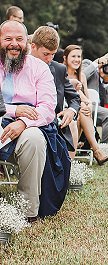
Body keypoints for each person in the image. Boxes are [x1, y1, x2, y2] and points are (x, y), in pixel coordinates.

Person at [0, 20, 69, 221]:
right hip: (3, 117)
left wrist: (23, 123)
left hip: (28, 125)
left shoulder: (39, 68)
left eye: (19, 39)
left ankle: (27, 210)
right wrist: (14, 111)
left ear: (27, 42)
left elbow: (47, 108)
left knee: (35, 139)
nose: (14, 43)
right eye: (8, 39)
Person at [29, 26, 81, 156]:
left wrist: (71, 110)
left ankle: (66, 172)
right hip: (28, 122)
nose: (49, 59)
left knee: (72, 124)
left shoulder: (58, 69)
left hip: (55, 123)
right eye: (46, 54)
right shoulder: (19, 65)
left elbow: (74, 98)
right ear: (33, 47)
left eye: (53, 54)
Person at [62, 45, 108, 164]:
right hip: (64, 111)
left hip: (80, 113)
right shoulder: (60, 72)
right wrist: (83, 105)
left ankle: (94, 150)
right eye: (73, 56)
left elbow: (87, 98)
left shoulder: (81, 75)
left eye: (79, 56)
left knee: (84, 110)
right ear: (65, 58)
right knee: (82, 110)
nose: (77, 59)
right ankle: (97, 150)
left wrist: (88, 106)